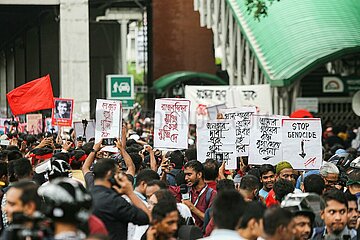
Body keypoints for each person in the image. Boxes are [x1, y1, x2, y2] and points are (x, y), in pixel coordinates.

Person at [90, 158, 150, 240]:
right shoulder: (114, 201)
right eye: (118, 173)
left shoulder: (84, 195)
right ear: (110, 174)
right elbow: (146, 217)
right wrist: (130, 193)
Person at [167, 160, 217, 229]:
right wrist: (164, 173)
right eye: (185, 175)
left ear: (199, 175)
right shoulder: (184, 189)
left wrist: (192, 208)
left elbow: (211, 221)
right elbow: (164, 189)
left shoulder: (212, 194)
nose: (186, 178)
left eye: (189, 175)